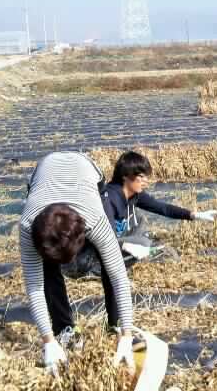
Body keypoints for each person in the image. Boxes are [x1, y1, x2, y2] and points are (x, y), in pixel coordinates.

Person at [19, 151, 135, 376]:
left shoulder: (94, 220)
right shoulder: (27, 225)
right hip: (43, 174)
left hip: (87, 171)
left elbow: (119, 277)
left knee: (108, 261)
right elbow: (35, 287)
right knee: (46, 268)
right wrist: (48, 341)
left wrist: (128, 333)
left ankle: (114, 325)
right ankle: (64, 330)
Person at [100, 151, 217, 262]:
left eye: (146, 177)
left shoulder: (134, 194)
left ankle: (134, 253)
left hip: (119, 239)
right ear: (125, 176)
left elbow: (162, 208)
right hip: (102, 250)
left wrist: (194, 215)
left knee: (140, 223)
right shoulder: (109, 199)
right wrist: (125, 246)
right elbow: (102, 238)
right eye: (141, 177)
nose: (145, 181)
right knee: (144, 242)